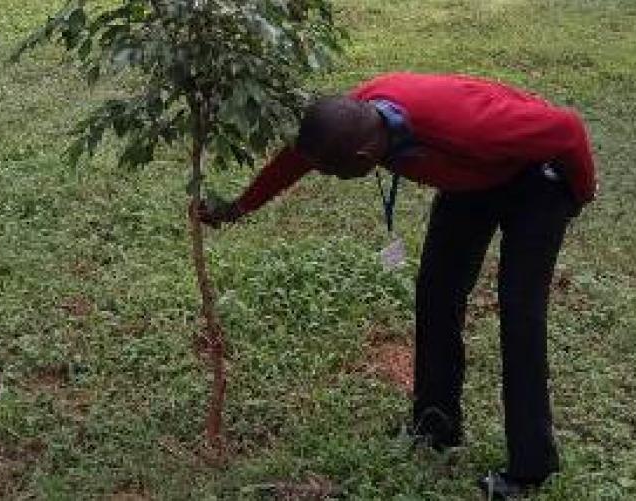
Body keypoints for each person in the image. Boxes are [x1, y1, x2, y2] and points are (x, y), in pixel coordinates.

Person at [197, 72, 597, 499]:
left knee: (519, 314)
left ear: (366, 154)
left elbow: (566, 128)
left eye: (336, 172)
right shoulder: (354, 116)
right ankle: (435, 425)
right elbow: (300, 156)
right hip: (474, 178)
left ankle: (531, 471)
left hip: (539, 177)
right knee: (436, 294)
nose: (330, 179)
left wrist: (581, 193)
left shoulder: (466, 125)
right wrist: (240, 206)